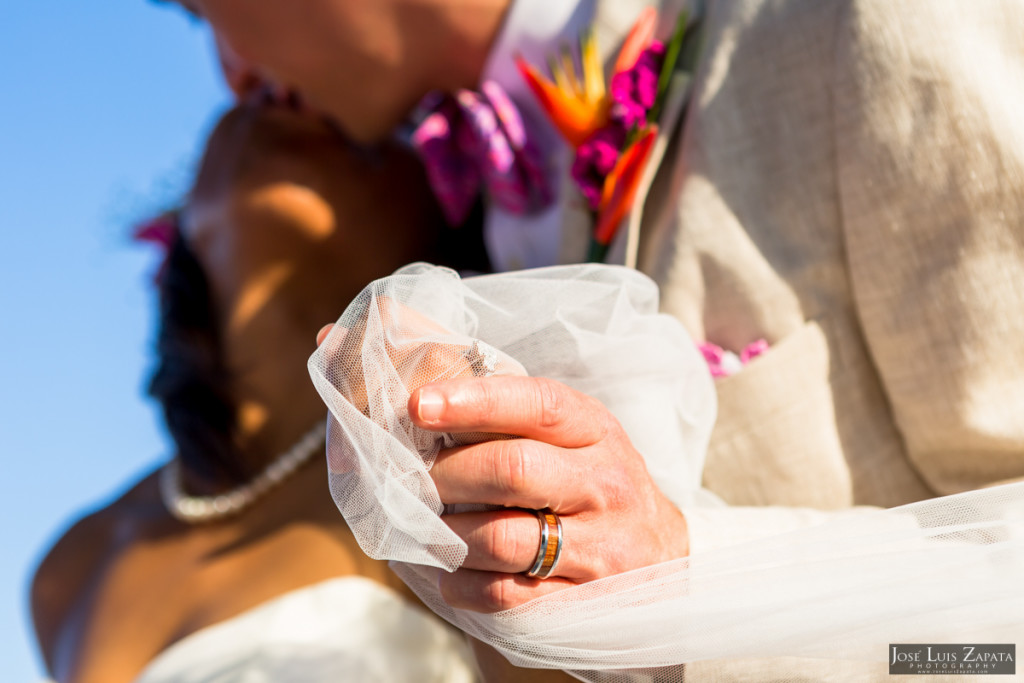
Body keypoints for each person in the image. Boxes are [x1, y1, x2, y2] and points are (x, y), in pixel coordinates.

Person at [160, 0, 1024, 680]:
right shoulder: (476, 231)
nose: (232, 74)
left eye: (198, 9)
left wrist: (681, 576)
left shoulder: (851, 22)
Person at [29, 95, 504, 683]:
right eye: (260, 92)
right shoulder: (68, 568)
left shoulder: (453, 478)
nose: (290, 98)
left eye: (409, 120)